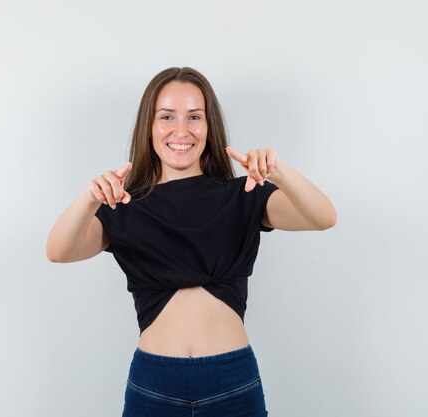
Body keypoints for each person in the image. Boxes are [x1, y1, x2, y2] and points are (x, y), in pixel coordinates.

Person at [46, 67, 337, 417]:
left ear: (209, 126)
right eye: (167, 116)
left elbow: (323, 217)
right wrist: (89, 198)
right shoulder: (123, 205)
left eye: (194, 117)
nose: (181, 131)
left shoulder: (243, 194)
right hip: (154, 384)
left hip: (232, 381)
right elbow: (58, 251)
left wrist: (278, 171)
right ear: (149, 128)